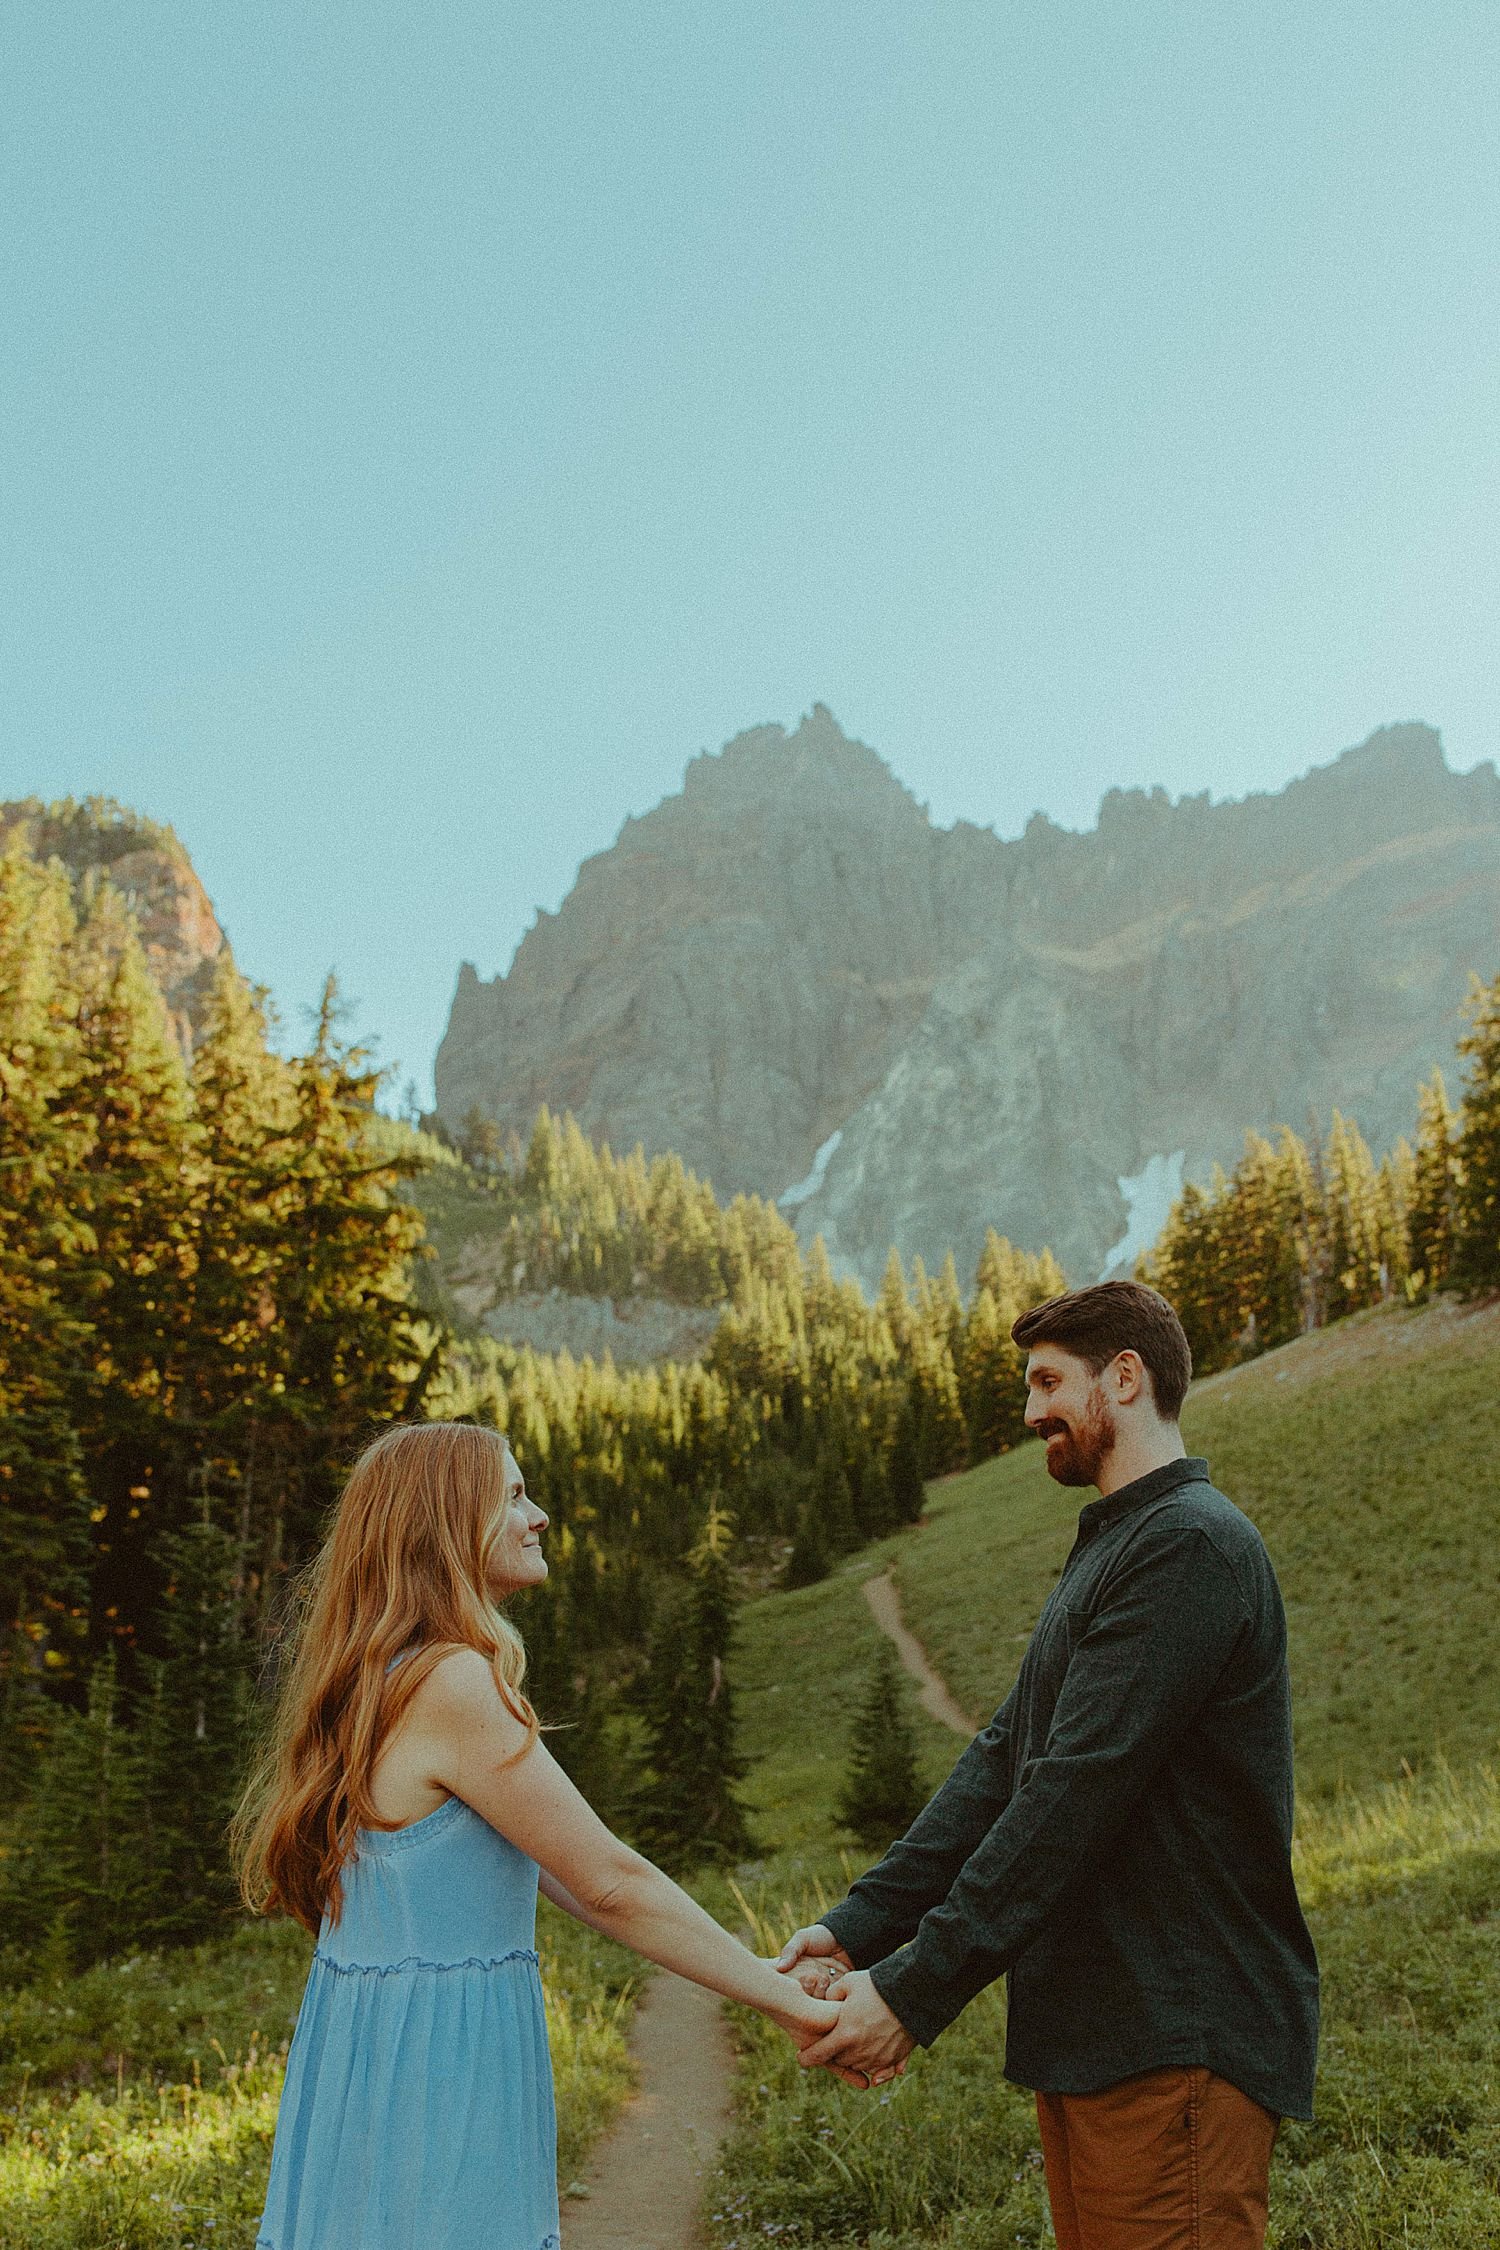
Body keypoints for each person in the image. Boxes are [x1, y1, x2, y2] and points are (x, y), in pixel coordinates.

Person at [777, 1280, 1319, 2250]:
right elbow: (1003, 1763)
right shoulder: (1121, 1543)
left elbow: (1073, 1795)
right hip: (1103, 2039)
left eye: (1047, 1382)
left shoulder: (1190, 1547)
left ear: (1124, 1376)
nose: (1030, 1413)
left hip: (1175, 2037)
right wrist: (854, 1931)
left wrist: (913, 1991)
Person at [235, 1419, 839, 2250]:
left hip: (366, 2063)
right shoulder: (452, 1682)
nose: (540, 1514)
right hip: (442, 2075)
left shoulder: (375, 1678)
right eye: (513, 1496)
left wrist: (761, 1974)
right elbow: (610, 1884)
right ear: (448, 1524)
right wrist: (786, 2002)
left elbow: (567, 1878)